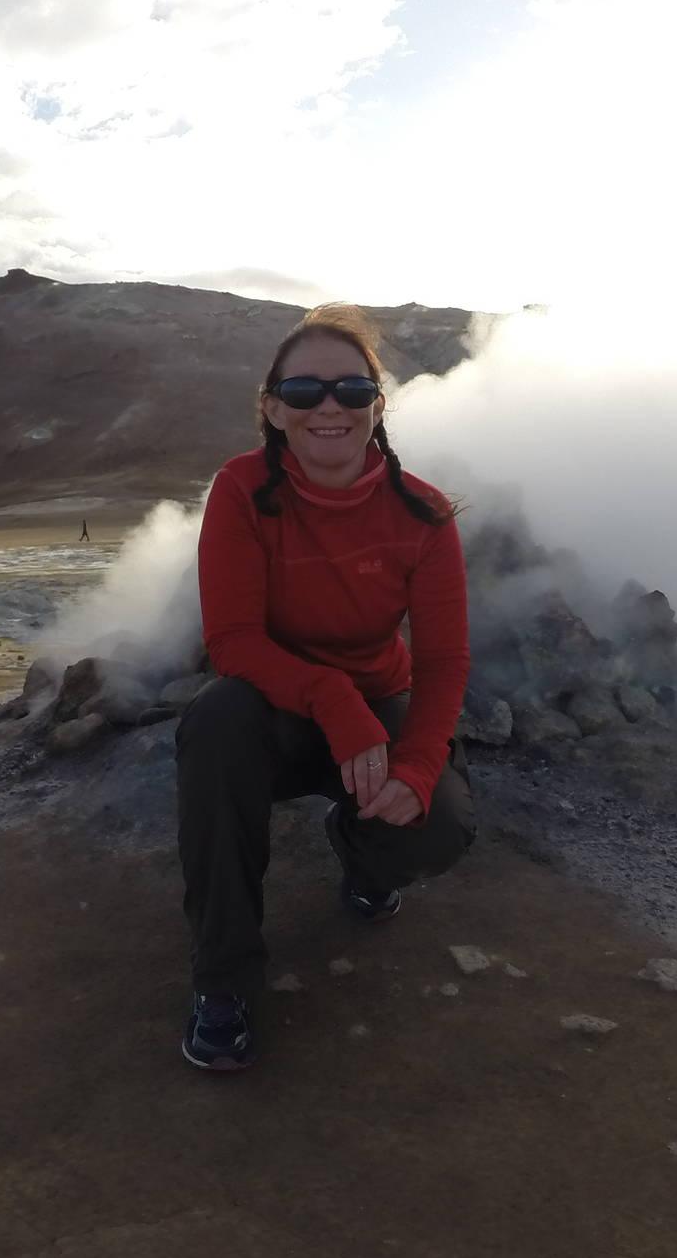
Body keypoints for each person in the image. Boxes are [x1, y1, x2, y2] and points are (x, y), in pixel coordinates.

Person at [174, 305, 475, 1072]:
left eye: (351, 388)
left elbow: (443, 661)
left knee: (439, 821)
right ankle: (223, 978)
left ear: (378, 405)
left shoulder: (422, 513)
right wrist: (333, 700)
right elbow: (232, 641)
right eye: (304, 390)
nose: (329, 406)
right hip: (275, 707)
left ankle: (362, 854)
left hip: (376, 703)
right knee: (215, 725)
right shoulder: (242, 490)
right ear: (273, 410)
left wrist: (416, 766)